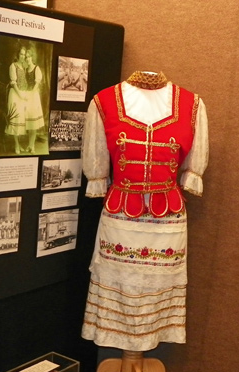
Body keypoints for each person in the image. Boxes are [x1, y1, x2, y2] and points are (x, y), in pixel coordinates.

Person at [80, 71, 209, 351]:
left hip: (167, 223)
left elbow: (193, 165)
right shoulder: (104, 102)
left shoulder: (192, 104)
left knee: (159, 286)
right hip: (120, 217)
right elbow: (97, 163)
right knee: (118, 282)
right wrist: (98, 177)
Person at [5, 46, 27, 154]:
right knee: (15, 119)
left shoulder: (23, 67)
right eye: (21, 54)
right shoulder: (12, 66)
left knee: (21, 120)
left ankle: (19, 143)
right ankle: (16, 145)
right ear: (17, 55)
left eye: (24, 54)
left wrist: (25, 95)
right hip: (15, 94)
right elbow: (13, 83)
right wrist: (20, 96)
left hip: (22, 94)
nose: (22, 56)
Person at [24, 48, 45, 154]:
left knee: (34, 124)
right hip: (27, 96)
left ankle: (32, 146)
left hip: (33, 96)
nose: (27, 59)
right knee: (29, 123)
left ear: (32, 57)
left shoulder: (36, 68)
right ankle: (29, 145)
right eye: (26, 57)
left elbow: (36, 85)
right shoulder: (26, 69)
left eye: (29, 56)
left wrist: (30, 94)